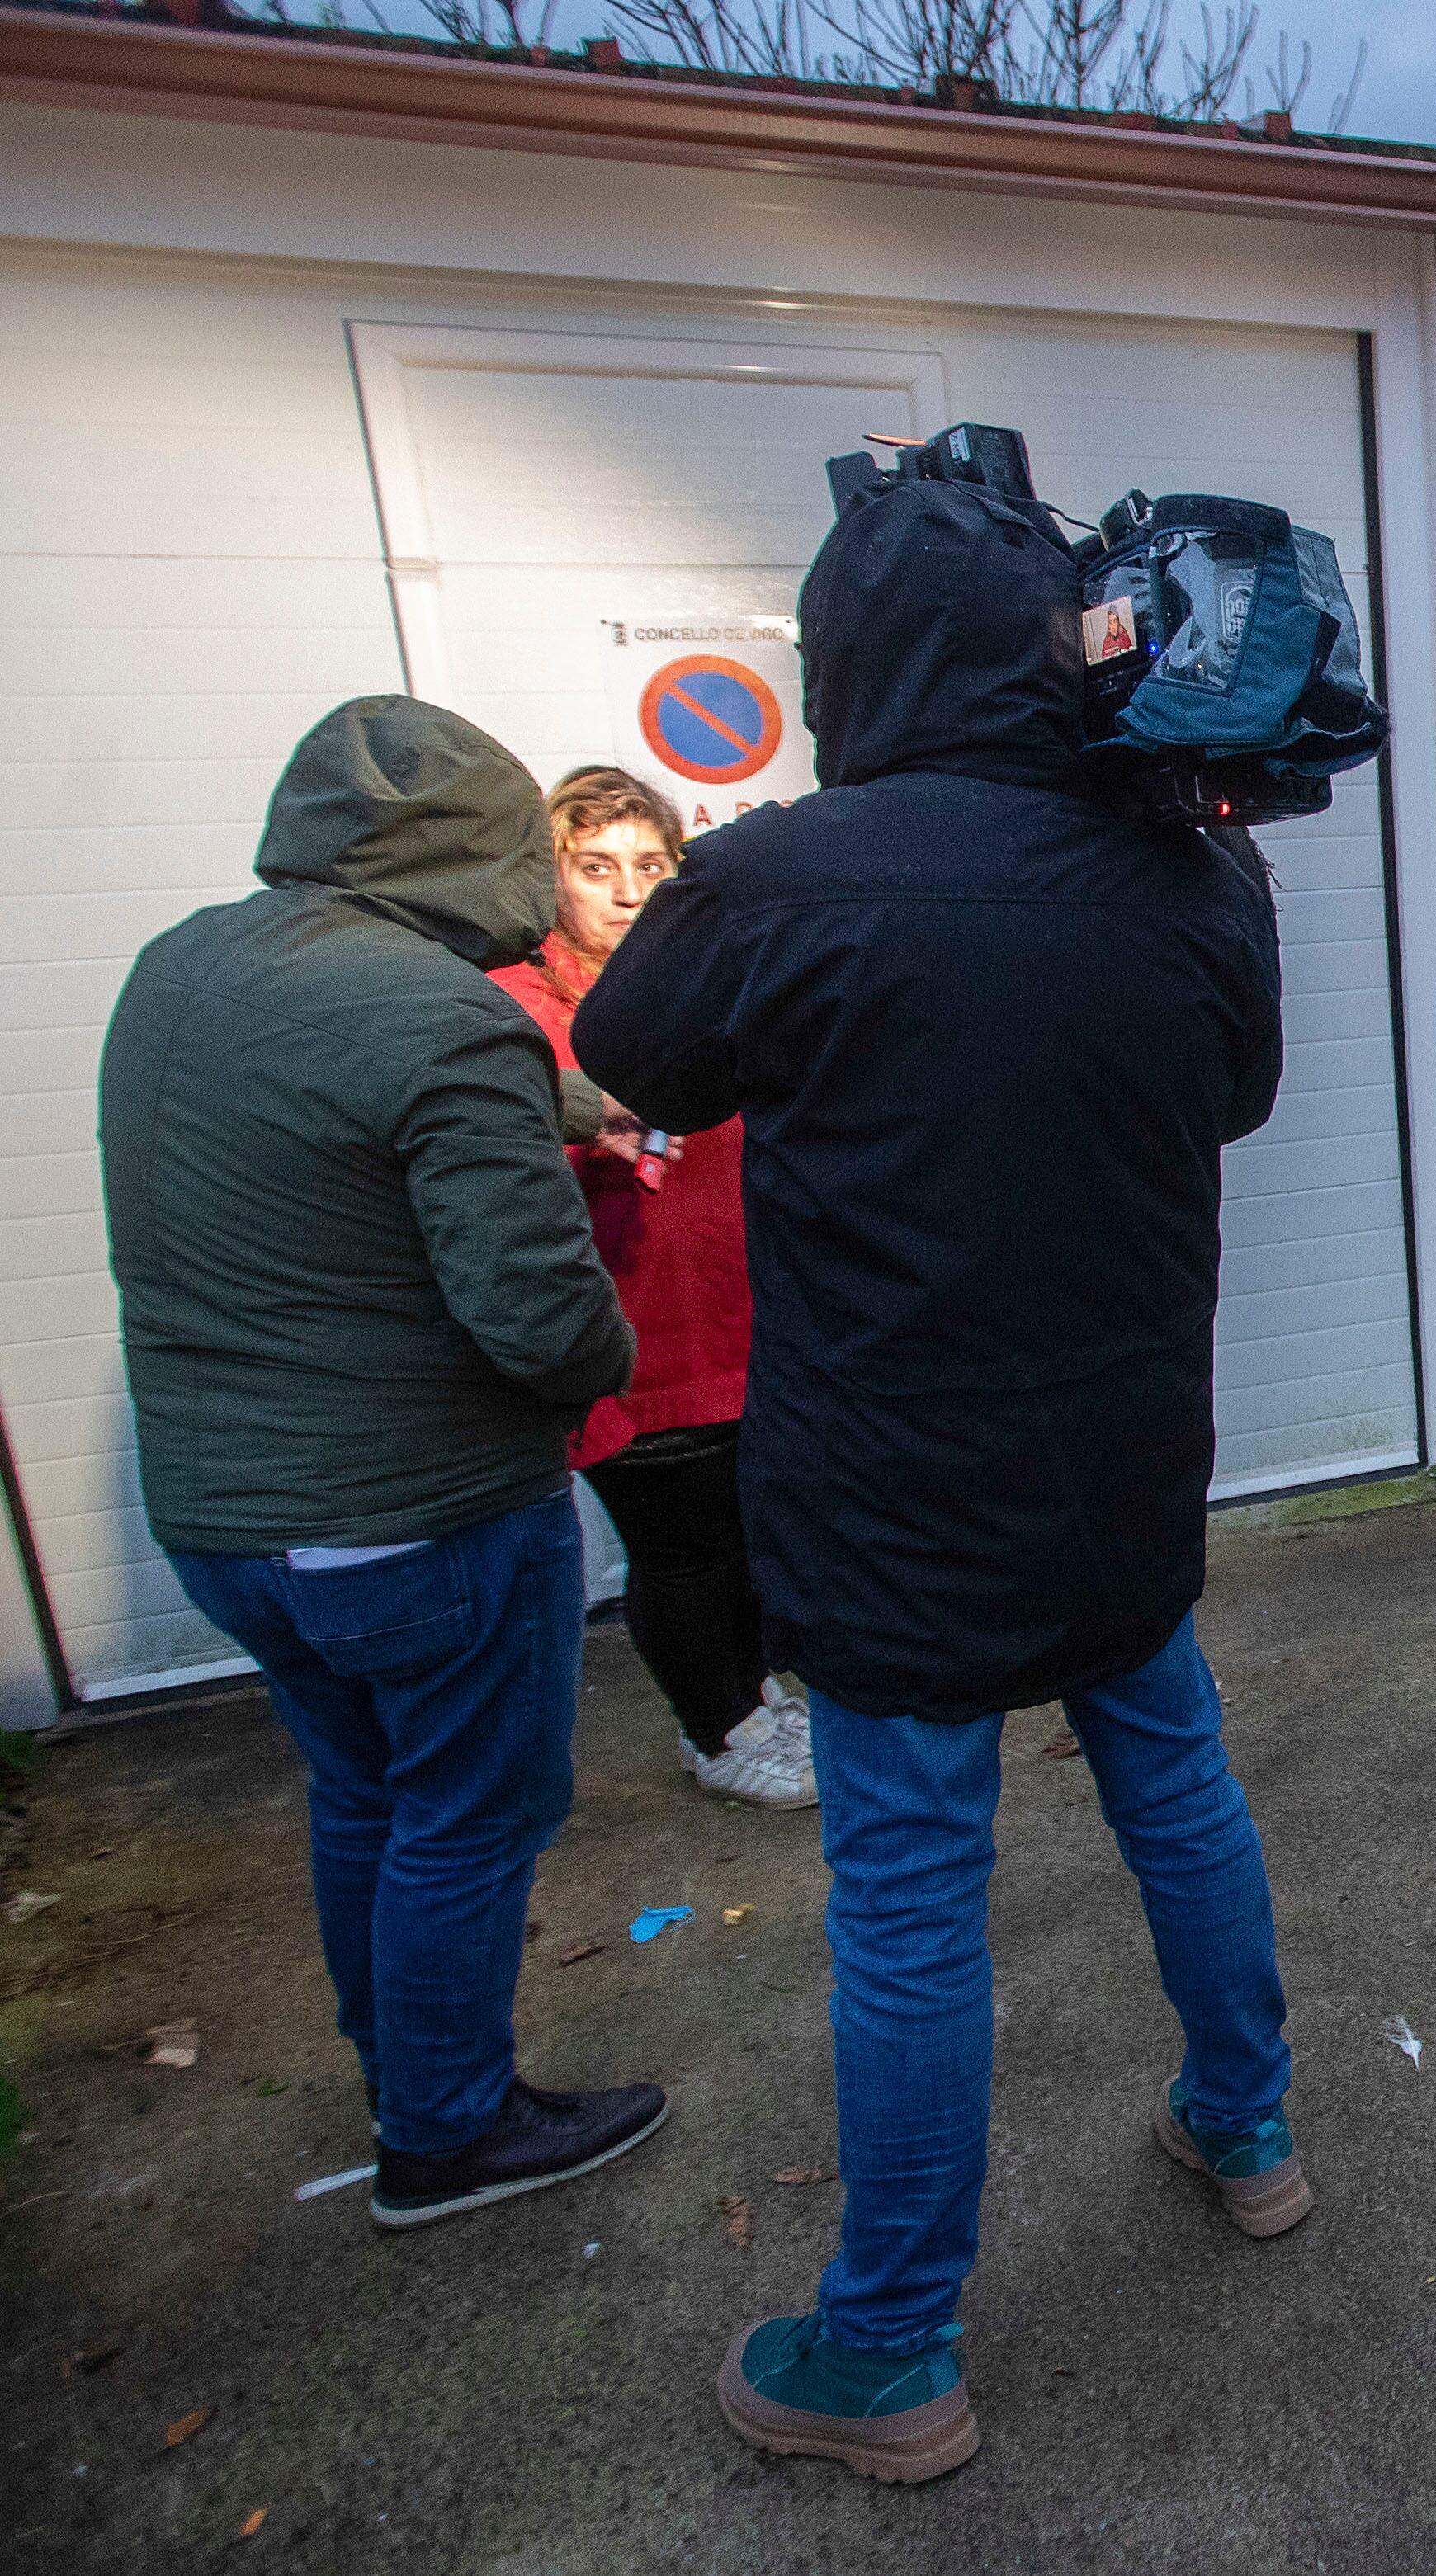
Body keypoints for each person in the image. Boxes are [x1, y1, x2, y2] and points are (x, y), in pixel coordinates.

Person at [575, 476, 1298, 2484]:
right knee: (1179, 1782)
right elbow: (1235, 1093)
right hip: (1123, 1468)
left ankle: (888, 2349)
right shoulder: (1190, 873)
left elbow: (637, 1057)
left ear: (850, 663)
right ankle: (1248, 2127)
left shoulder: (785, 878)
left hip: (894, 1504)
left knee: (908, 1903)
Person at [97, 696, 667, 2229]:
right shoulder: (451, 1020)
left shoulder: (184, 965)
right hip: (416, 1524)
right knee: (470, 1820)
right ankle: (447, 2129)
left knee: (366, 1799)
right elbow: (543, 1325)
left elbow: (334, 1089)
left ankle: (402, 2075)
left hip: (227, 1526)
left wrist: (572, 1100)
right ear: (489, 860)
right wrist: (631, 1358)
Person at [489, 767, 815, 1811]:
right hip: (633, 1329)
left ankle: (754, 1698)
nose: (626, 892)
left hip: (745, 1314)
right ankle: (714, 1731)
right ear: (553, 877)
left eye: (649, 865)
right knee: (682, 1549)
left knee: (756, 1531)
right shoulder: (515, 1008)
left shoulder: (704, 980)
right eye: (596, 867)